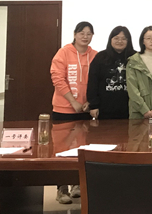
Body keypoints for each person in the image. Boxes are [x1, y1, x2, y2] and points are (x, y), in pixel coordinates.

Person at [50, 21, 96, 204]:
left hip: (85, 110)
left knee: (82, 148)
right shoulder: (63, 53)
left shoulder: (95, 55)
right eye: (82, 33)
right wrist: (73, 102)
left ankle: (77, 184)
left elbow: (97, 81)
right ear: (75, 34)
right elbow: (57, 79)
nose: (85, 36)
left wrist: (89, 103)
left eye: (89, 33)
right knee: (62, 150)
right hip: (63, 110)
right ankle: (61, 189)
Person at [87, 26, 136, 120]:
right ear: (110, 39)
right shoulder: (100, 57)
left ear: (128, 41)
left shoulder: (135, 57)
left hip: (131, 108)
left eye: (123, 39)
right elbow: (93, 82)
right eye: (116, 38)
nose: (120, 41)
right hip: (105, 108)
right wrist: (93, 105)